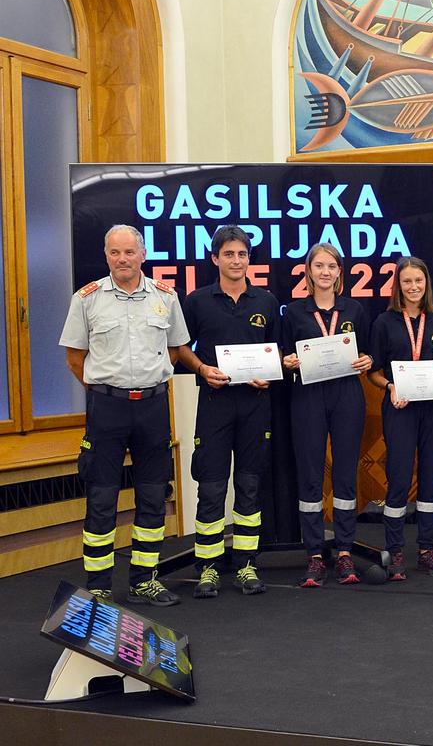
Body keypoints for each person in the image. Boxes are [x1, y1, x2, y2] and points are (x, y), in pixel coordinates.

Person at [60, 224, 190, 605]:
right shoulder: (87, 299)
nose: (122, 259)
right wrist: (109, 389)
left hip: (152, 407)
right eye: (114, 253)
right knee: (101, 498)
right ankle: (98, 584)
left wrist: (146, 381)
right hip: (107, 407)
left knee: (152, 496)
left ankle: (143, 579)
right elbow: (75, 358)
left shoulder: (166, 298)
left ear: (142, 255)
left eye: (129, 252)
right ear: (106, 256)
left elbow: (175, 349)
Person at [176, 225, 280, 598]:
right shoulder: (197, 301)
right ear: (215, 258)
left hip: (255, 406)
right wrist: (202, 369)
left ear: (249, 259)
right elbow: (179, 347)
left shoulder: (266, 301)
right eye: (229, 254)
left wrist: (269, 375)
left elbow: (277, 353)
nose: (236, 261)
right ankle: (208, 567)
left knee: (250, 487)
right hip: (215, 404)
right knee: (212, 486)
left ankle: (247, 565)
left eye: (242, 254)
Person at [280, 243, 372, 587]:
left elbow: (368, 351)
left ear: (339, 273)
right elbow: (282, 353)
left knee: (346, 474)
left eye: (331, 266)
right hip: (307, 395)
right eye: (318, 266)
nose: (325, 272)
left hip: (346, 393)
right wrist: (287, 361)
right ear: (309, 271)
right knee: (310, 476)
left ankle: (345, 550)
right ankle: (315, 554)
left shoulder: (356, 310)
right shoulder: (293, 312)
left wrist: (368, 360)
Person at [367, 257, 433, 579]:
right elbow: (373, 372)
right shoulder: (383, 322)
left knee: (430, 480)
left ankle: (427, 549)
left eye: (419, 281)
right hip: (400, 407)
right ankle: (396, 550)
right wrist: (389, 386)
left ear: (426, 284)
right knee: (400, 479)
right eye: (407, 282)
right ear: (398, 286)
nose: (414, 287)